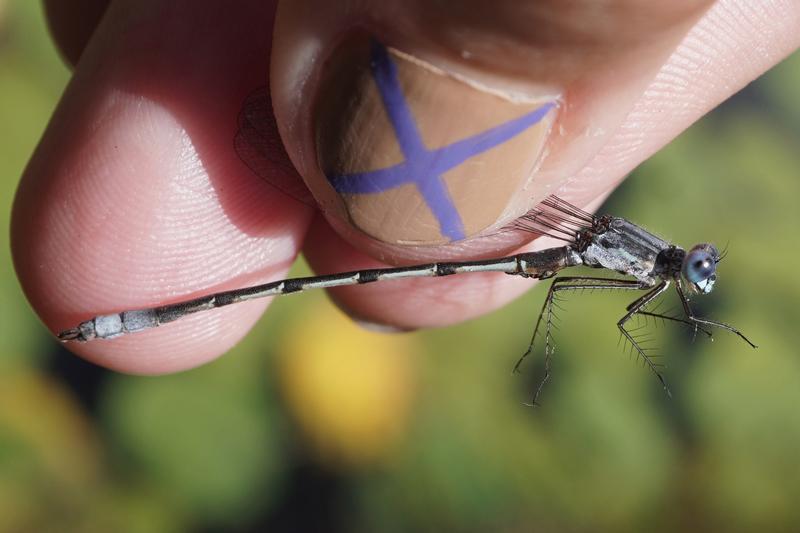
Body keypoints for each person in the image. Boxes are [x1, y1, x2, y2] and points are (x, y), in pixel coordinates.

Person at [12, 0, 799, 373]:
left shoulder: (656, 269)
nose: (696, 273)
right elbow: (626, 313)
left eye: (698, 270)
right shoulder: (650, 266)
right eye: (697, 268)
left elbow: (616, 302)